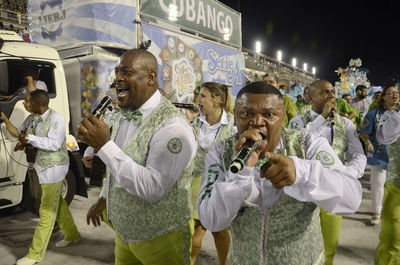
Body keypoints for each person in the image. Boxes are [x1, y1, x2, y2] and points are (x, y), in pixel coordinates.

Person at [197, 81, 362, 265]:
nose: (257, 122)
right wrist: (238, 177)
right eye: (247, 114)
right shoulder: (221, 152)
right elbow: (210, 220)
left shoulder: (307, 144)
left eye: (268, 114)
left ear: (283, 117)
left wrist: (301, 173)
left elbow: (352, 197)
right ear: (235, 117)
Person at [80, 49, 197, 265]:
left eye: (126, 72)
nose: (117, 78)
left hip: (162, 237)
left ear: (151, 77)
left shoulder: (173, 126)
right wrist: (105, 198)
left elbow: (153, 189)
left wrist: (104, 145)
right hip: (125, 234)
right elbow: (116, 167)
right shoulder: (124, 115)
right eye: (117, 72)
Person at [288, 80, 366, 265]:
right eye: (324, 92)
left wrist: (346, 175)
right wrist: (321, 119)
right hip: (302, 197)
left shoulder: (345, 123)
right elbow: (296, 143)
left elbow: (358, 155)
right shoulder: (297, 121)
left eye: (332, 92)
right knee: (299, 249)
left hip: (331, 192)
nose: (331, 95)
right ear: (309, 97)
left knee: (329, 248)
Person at [15, 90, 81, 265]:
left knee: (46, 212)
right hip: (40, 168)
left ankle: (34, 255)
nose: (27, 105)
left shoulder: (55, 119)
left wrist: (30, 137)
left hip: (54, 169)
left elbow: (53, 144)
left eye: (30, 102)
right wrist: (21, 134)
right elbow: (21, 130)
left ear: (39, 103)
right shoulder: (32, 118)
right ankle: (73, 235)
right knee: (58, 205)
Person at [190, 82, 236, 265]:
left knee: (220, 230)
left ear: (217, 100)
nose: (198, 100)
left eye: (202, 96)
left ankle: (223, 262)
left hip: (220, 182)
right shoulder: (195, 121)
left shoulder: (232, 124)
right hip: (195, 181)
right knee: (196, 227)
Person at [360, 85, 397, 225]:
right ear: (384, 96)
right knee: (378, 183)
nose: (395, 95)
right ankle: (377, 211)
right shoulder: (373, 114)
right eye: (391, 93)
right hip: (379, 154)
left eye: (397, 93)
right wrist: (367, 142)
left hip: (396, 156)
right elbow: (364, 131)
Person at [375, 85, 400, 265]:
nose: (395, 95)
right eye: (390, 93)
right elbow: (384, 137)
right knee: (392, 242)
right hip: (397, 188)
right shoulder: (393, 117)